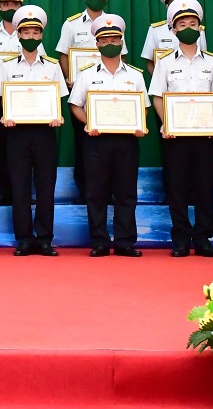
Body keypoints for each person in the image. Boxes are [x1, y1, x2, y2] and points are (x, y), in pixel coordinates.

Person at [146, 0, 213, 258]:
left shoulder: (212, 62)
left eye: (193, 24)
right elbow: (157, 96)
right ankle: (181, 238)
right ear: (173, 30)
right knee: (177, 186)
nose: (188, 28)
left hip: (206, 135)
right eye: (182, 24)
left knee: (205, 187)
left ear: (200, 28)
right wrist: (166, 123)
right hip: (176, 135)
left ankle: (203, 238)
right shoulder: (165, 63)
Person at [68, 14, 147, 258]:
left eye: (114, 39)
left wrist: (139, 124)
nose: (110, 43)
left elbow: (143, 106)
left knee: (126, 193)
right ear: (97, 44)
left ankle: (125, 242)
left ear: (122, 42)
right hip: (97, 140)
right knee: (96, 192)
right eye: (104, 40)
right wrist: (89, 122)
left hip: (126, 141)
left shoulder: (135, 75)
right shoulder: (86, 75)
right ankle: (99, 241)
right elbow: (75, 105)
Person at [0, 5, 64, 256]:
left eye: (36, 33)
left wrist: (57, 116)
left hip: (45, 133)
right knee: (20, 185)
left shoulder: (52, 66)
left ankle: (45, 238)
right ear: (19, 35)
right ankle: (23, 238)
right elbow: (1, 98)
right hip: (17, 133)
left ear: (42, 35)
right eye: (26, 33)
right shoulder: (6, 67)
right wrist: (7, 116)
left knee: (46, 186)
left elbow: (58, 99)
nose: (31, 37)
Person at [54, 0, 125, 196]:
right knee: (83, 141)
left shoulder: (115, 24)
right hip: (82, 95)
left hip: (109, 94)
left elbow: (121, 57)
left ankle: (109, 189)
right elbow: (63, 55)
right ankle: (84, 188)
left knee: (111, 141)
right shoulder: (72, 24)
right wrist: (70, 80)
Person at [0, 0, 44, 207]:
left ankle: (25, 192)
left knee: (27, 150)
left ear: (21, 6)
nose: (10, 8)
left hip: (25, 102)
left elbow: (41, 64)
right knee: (0, 148)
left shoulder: (30, 33)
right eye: (5, 4)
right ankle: (2, 191)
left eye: (14, 4)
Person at [141, 0, 207, 75]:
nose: (177, 5)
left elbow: (203, 59)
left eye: (180, 1)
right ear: (167, 6)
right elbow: (150, 62)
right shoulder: (156, 30)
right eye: (172, 2)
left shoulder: (198, 30)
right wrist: (160, 80)